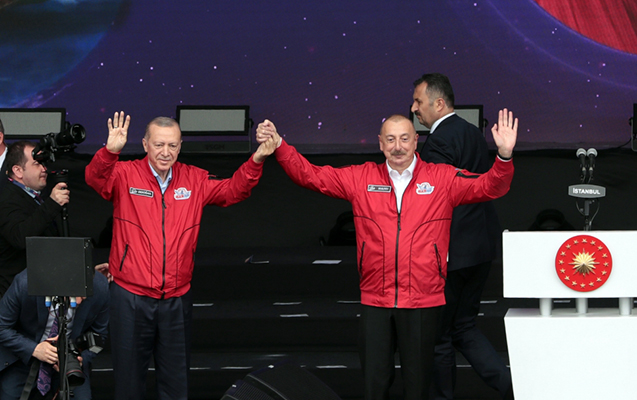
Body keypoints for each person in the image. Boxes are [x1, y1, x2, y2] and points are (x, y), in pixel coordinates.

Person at [256, 110, 517, 400]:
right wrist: (280, 146)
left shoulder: (441, 178)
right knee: (375, 386)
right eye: (390, 140)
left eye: (404, 139)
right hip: (376, 301)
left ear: (416, 141)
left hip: (422, 301)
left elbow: (490, 186)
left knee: (418, 388)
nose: (398, 146)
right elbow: (310, 175)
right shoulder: (361, 177)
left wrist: (504, 156)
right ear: (380, 144)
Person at [84, 111, 277, 400]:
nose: (166, 152)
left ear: (180, 146)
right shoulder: (124, 174)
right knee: (128, 384)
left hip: (176, 298)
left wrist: (257, 158)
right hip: (130, 297)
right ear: (145, 144)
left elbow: (232, 191)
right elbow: (94, 179)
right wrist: (110, 152)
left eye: (172, 145)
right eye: (159, 144)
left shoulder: (194, 178)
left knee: (176, 385)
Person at [412, 73, 512, 400]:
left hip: (452, 252)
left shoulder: (438, 141)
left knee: (439, 336)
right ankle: (514, 388)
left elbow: (434, 197)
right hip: (481, 247)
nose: (414, 109)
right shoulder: (472, 132)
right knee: (464, 327)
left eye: (418, 101)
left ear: (439, 103)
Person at [0, 265, 109, 400]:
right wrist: (34, 349)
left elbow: (100, 335)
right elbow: (2, 327)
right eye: (74, 295)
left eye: (84, 295)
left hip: (69, 361)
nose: (79, 301)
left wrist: (80, 359)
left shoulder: (100, 287)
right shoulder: (25, 283)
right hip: (25, 356)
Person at [0, 141, 70, 296]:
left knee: (97, 284)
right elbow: (20, 236)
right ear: (18, 170)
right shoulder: (6, 200)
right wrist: (52, 204)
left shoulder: (34, 197)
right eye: (37, 164)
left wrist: (79, 271)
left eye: (43, 163)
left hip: (41, 286)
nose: (44, 169)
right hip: (16, 293)